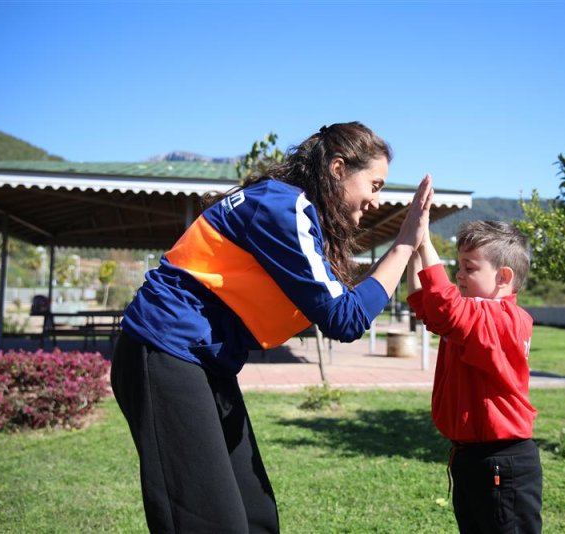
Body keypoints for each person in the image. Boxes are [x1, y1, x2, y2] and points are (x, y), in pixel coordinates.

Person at [110, 121, 432, 533]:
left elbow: (335, 304)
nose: (375, 199)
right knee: (208, 522)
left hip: (205, 361)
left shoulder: (293, 211)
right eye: (375, 184)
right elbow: (345, 318)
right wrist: (405, 242)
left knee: (256, 516)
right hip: (163, 351)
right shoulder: (283, 207)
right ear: (338, 168)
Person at [406, 220, 542, 534]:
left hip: (501, 463)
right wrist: (413, 247)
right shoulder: (472, 318)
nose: (459, 275)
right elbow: (424, 303)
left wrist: (425, 241)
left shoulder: (505, 319)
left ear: (503, 277)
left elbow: (446, 308)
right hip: (472, 459)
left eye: (469, 268)